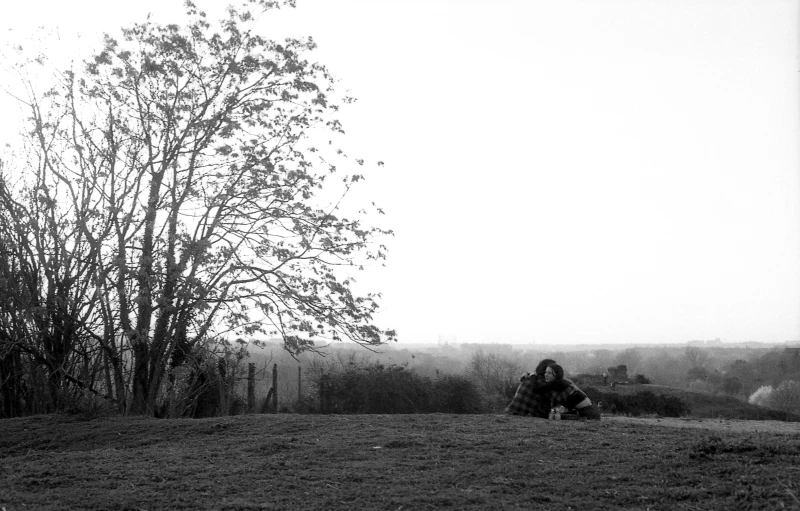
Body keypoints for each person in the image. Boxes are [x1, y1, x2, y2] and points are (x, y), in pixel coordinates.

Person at [533, 363, 601, 420]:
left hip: (588, 413)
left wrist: (532, 376)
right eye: (545, 372)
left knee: (553, 417)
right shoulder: (564, 382)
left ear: (556, 375)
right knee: (556, 415)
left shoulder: (558, 383)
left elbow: (537, 390)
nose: (546, 375)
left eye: (549, 373)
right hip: (591, 410)